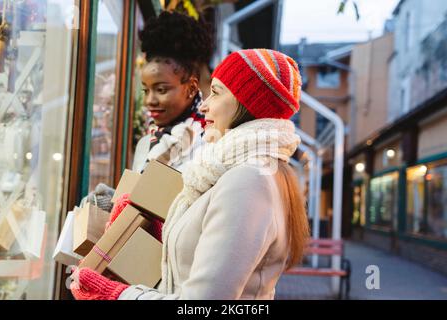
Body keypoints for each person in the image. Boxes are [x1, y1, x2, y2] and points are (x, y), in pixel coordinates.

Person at [70, 49, 310, 300]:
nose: (204, 105)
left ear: (247, 104)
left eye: (216, 92)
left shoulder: (249, 179)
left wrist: (116, 295)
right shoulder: (238, 170)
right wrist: (157, 225)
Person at [85, 11, 213, 213]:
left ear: (190, 87)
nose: (150, 101)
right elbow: (141, 204)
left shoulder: (211, 141)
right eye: (146, 90)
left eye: (161, 90)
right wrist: (112, 202)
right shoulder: (148, 143)